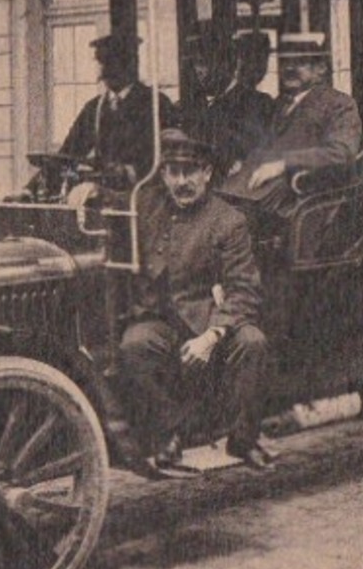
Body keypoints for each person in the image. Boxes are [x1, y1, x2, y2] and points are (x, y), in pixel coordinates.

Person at [116, 129, 272, 473]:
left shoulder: (229, 221)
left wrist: (212, 335)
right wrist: (92, 191)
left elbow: (244, 291)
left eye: (190, 172)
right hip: (162, 321)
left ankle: (244, 439)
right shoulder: (146, 206)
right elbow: (116, 200)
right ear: (163, 175)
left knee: (253, 343)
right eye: (173, 172)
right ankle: (172, 432)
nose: (182, 181)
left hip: (210, 322)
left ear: (207, 174)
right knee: (134, 347)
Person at [223, 37, 362, 214]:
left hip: (301, 192)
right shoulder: (280, 104)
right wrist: (245, 162)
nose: (289, 68)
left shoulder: (339, 103)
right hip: (257, 186)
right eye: (285, 62)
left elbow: (342, 153)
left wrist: (284, 164)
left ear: (321, 68)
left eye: (300, 62)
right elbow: (265, 143)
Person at [55, 31, 176, 186]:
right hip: (104, 197)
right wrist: (31, 189)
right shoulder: (94, 109)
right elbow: (68, 154)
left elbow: (170, 156)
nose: (104, 71)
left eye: (111, 62)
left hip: (146, 197)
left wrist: (130, 171)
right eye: (101, 62)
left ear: (131, 63)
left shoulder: (156, 104)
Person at [195, 31, 276, 177]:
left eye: (205, 63)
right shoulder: (200, 106)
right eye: (197, 63)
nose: (199, 71)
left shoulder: (257, 104)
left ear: (228, 65)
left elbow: (251, 153)